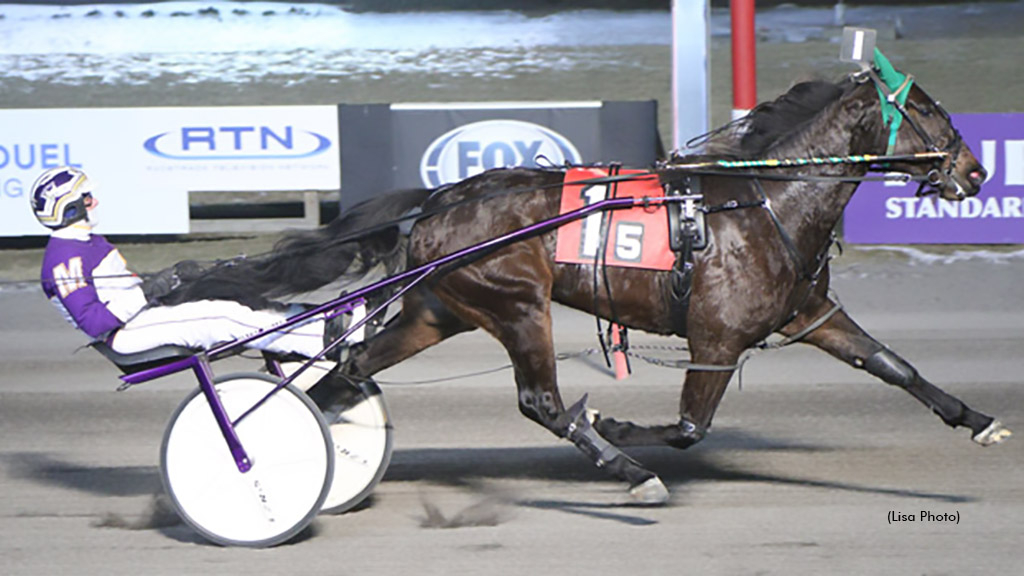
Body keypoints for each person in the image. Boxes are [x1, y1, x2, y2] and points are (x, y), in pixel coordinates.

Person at [32, 166, 351, 358]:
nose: (95, 201)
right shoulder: (65, 260)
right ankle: (319, 339)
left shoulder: (84, 243)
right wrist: (150, 290)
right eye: (87, 198)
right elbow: (93, 322)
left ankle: (326, 320)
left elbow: (119, 290)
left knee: (229, 293)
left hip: (140, 318)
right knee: (222, 317)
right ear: (70, 207)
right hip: (125, 335)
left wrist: (166, 281)